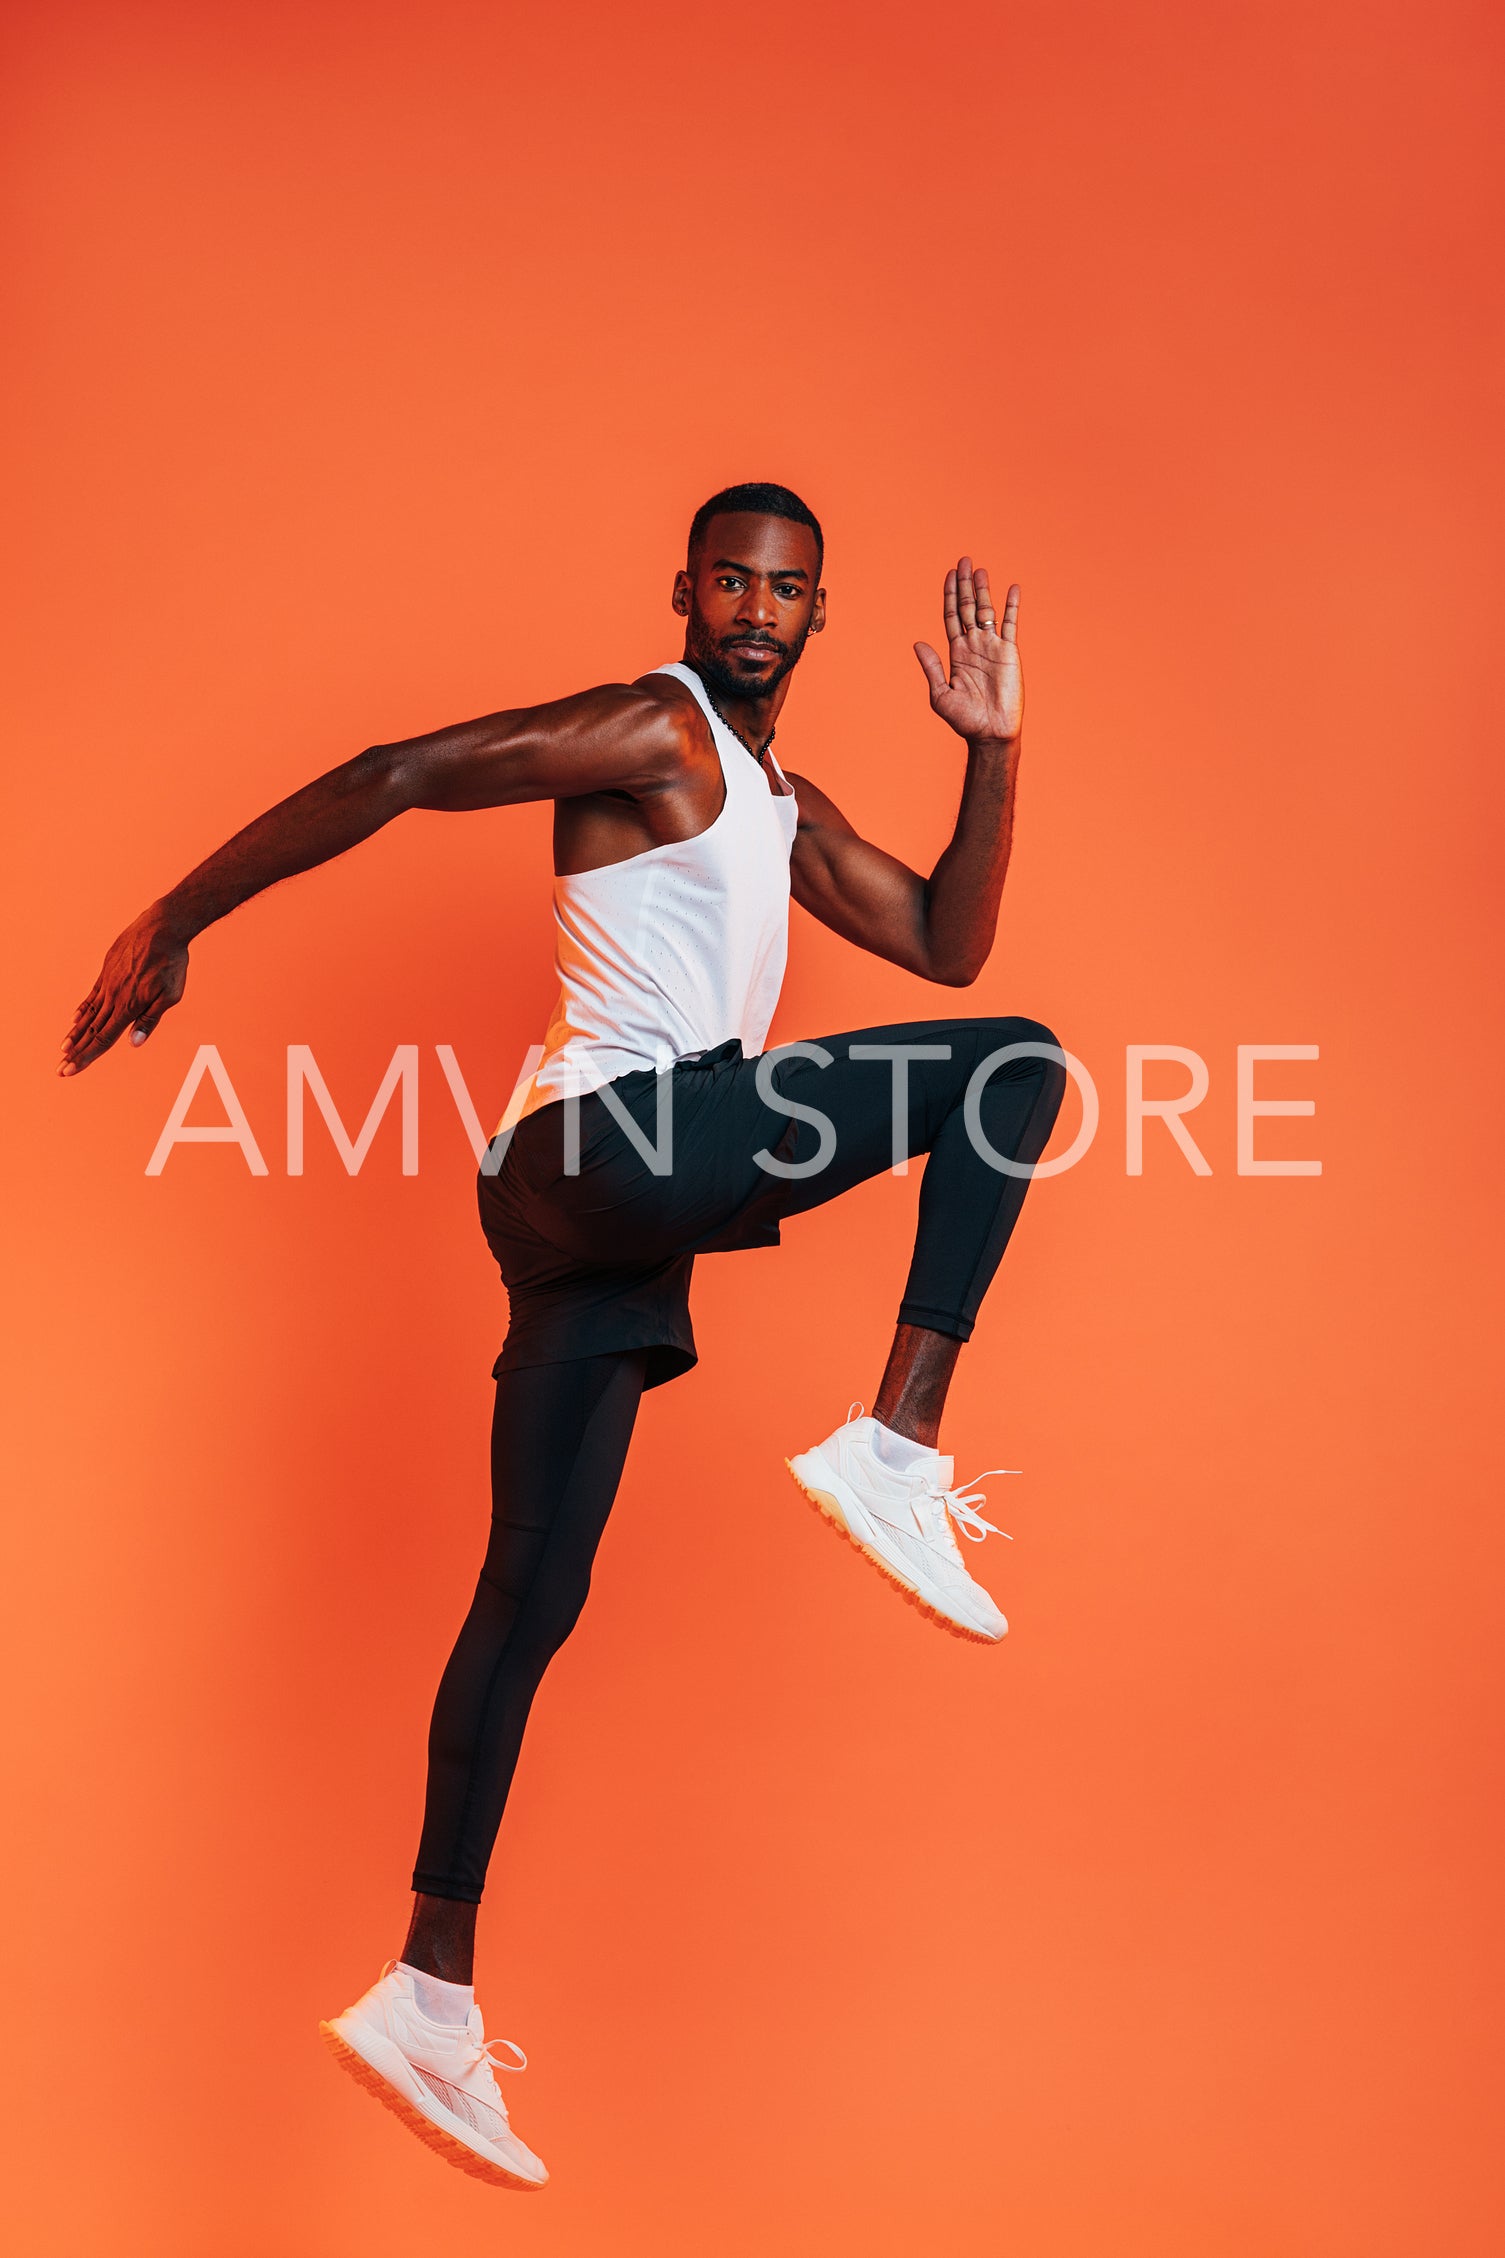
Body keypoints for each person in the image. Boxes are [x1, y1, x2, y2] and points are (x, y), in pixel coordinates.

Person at [60, 481, 1066, 2190]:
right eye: (732, 579)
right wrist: (179, 912)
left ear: (818, 617)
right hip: (613, 1143)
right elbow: (395, 774)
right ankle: (893, 1443)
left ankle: (426, 1988)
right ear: (683, 589)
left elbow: (948, 945)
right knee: (1018, 1072)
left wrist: (991, 749)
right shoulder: (653, 729)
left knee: (527, 1599)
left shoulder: (776, 797)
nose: (757, 608)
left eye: (788, 589)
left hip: (575, 1201)